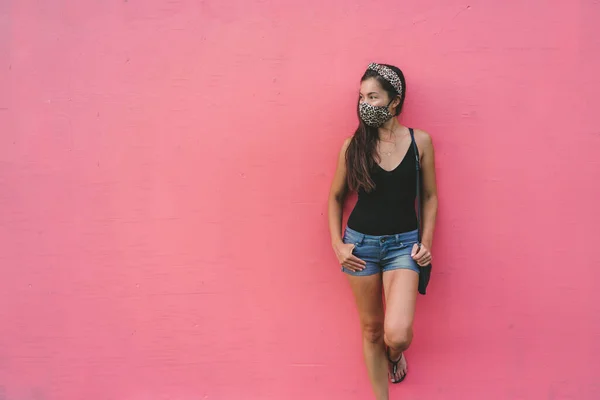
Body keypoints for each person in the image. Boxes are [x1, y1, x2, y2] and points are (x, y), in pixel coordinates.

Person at [328, 63, 438, 399]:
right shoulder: (353, 146)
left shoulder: (420, 141)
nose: (364, 103)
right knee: (372, 329)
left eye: (373, 96)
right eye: (361, 96)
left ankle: (395, 354)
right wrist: (338, 244)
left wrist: (425, 243)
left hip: (404, 246)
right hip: (360, 247)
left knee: (397, 333)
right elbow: (334, 198)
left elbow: (430, 196)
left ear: (394, 100)